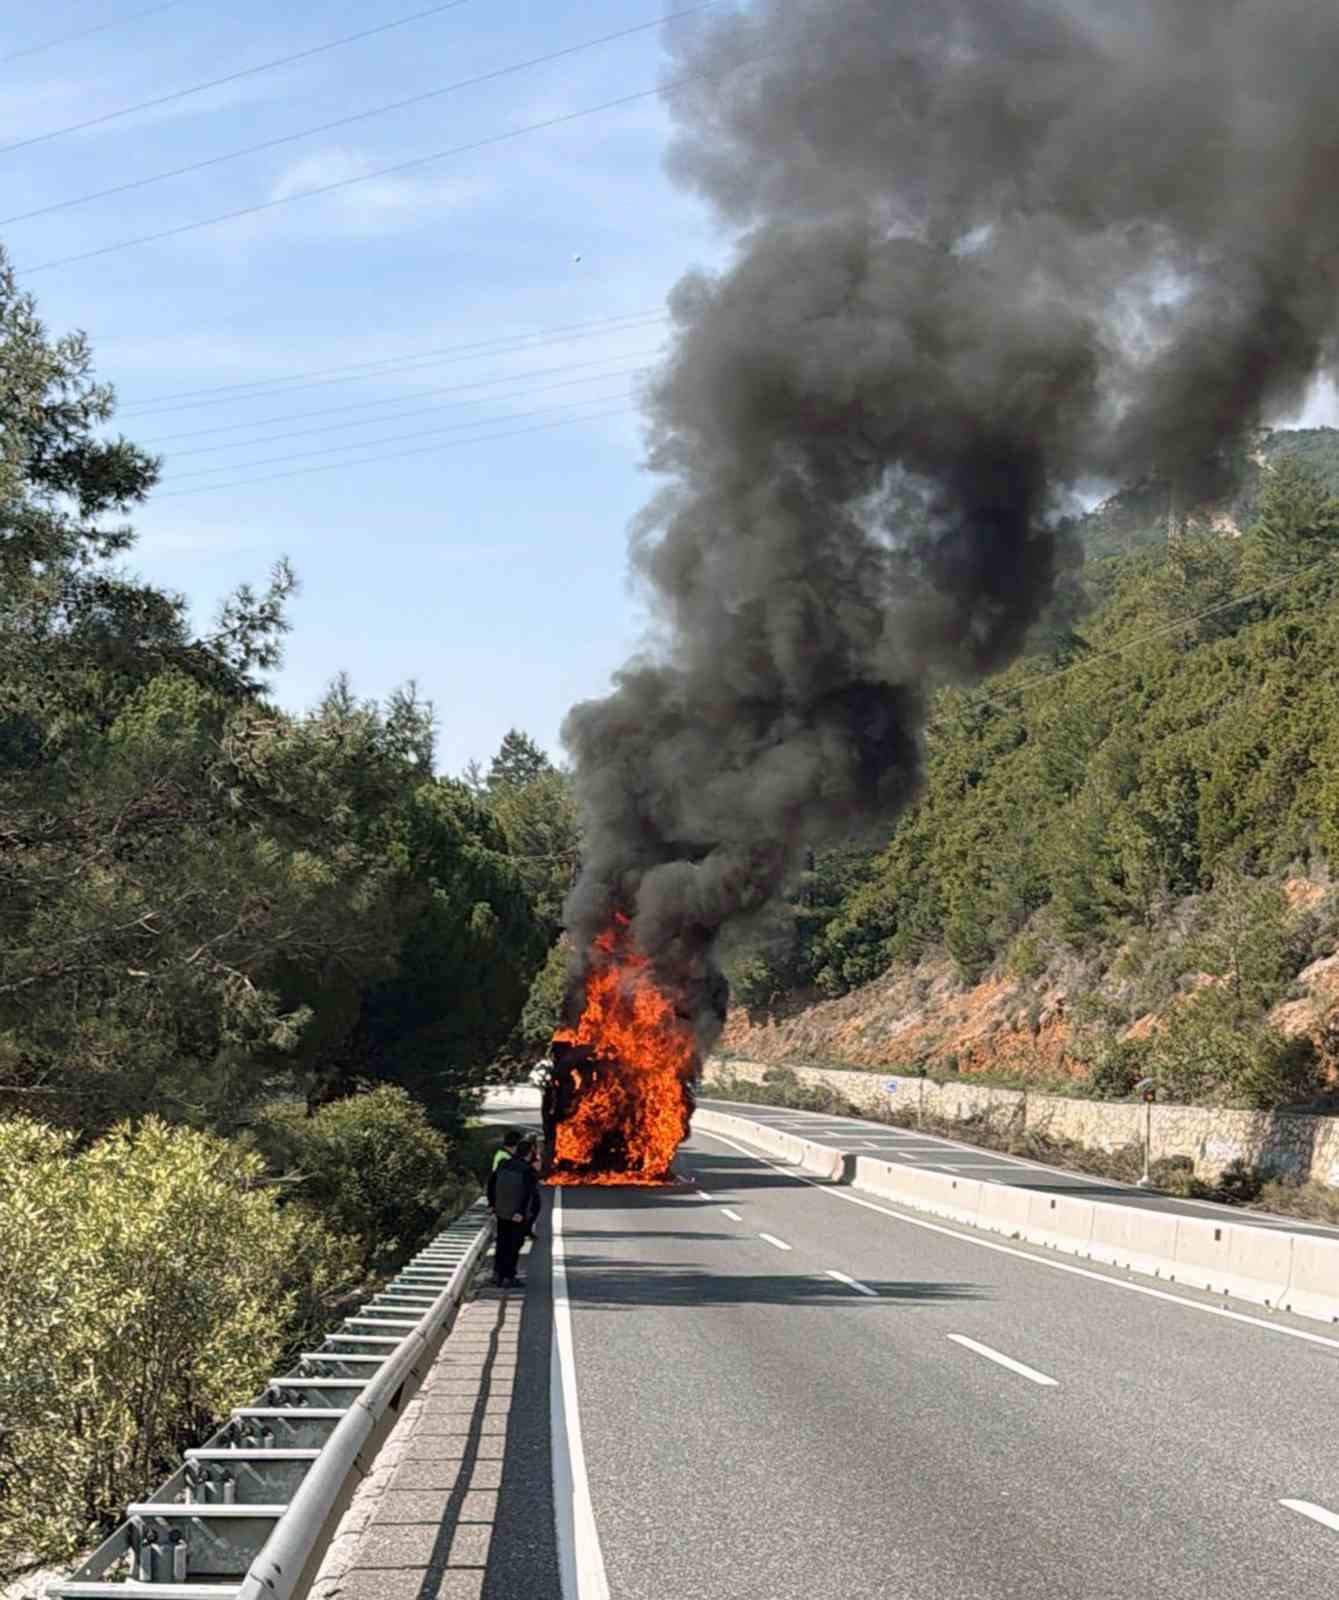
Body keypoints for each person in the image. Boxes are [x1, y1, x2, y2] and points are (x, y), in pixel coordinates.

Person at [487, 1136, 539, 1289]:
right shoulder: (527, 1170)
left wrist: (492, 1204)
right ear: (529, 1154)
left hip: (501, 1211)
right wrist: (521, 1213)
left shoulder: (503, 1164)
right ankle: (508, 1277)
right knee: (514, 1246)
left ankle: (497, 1275)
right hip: (517, 1215)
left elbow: (491, 1184)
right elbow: (527, 1195)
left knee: (502, 1243)